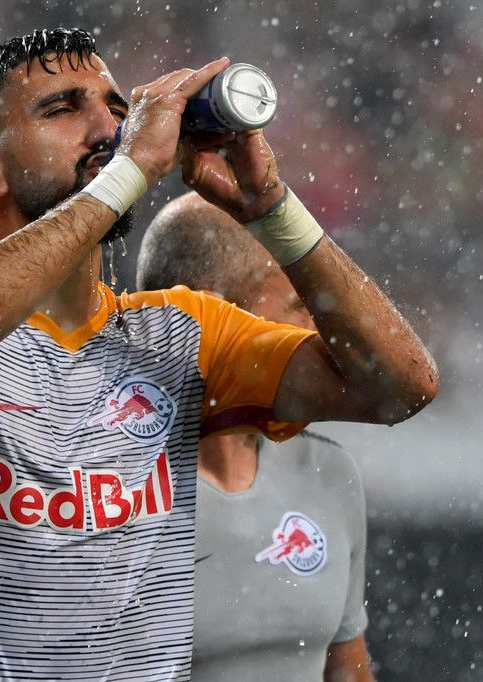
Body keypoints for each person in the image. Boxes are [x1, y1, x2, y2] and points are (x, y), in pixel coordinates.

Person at [0, 27, 437, 681]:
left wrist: (273, 208)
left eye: (117, 109)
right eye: (63, 108)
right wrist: (125, 173)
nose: (106, 129)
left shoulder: (181, 333)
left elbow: (401, 384)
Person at [138, 194, 376, 682]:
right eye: (299, 307)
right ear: (212, 317)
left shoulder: (327, 471)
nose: (320, 333)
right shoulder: (106, 493)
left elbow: (347, 671)